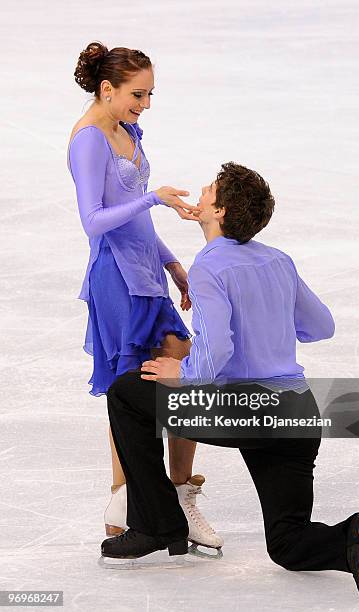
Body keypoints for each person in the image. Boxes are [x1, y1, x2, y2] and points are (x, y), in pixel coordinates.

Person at [102, 162, 359, 601]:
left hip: (249, 412)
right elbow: (321, 326)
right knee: (287, 543)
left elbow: (215, 353)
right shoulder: (278, 259)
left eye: (210, 188)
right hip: (297, 414)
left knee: (126, 393)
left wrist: (184, 373)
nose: (202, 188)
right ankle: (354, 535)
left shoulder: (210, 267)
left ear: (220, 209)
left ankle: (155, 524)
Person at [67, 41, 223, 551]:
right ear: (106, 88)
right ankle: (125, 500)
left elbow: (133, 215)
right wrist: (153, 198)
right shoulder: (88, 141)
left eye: (150, 93)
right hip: (115, 278)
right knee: (128, 393)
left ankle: (178, 492)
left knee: (183, 373)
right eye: (138, 94)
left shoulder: (127, 129)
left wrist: (173, 264)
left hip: (147, 274)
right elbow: (94, 222)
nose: (146, 104)